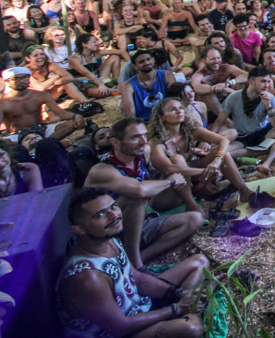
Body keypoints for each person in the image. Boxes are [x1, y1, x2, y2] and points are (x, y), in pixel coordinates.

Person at [57, 187, 206, 338]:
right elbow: (121, 327)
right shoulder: (87, 277)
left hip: (137, 308)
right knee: (191, 329)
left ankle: (189, 308)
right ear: (80, 230)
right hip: (117, 332)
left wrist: (179, 293)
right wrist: (176, 308)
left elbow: (137, 278)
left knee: (199, 263)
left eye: (113, 207)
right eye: (101, 214)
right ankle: (189, 314)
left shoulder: (109, 240)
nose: (113, 215)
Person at [84, 118, 202, 270]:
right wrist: (171, 181)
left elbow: (155, 174)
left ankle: (137, 259)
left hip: (134, 224)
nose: (143, 141)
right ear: (115, 142)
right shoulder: (102, 170)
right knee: (137, 197)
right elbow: (139, 190)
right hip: (106, 234)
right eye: (135, 137)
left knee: (195, 219)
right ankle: (136, 264)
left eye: (144, 135)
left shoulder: (142, 154)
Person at [218, 66, 275, 175]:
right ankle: (256, 151)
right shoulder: (234, 97)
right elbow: (219, 121)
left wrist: (269, 107)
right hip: (242, 136)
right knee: (223, 152)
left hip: (262, 131)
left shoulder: (269, 97)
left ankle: (267, 163)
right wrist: (207, 140)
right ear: (251, 82)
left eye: (268, 81)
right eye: (262, 82)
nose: (266, 85)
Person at [0, 66, 85, 140]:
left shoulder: (40, 95)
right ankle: (45, 143)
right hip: (17, 136)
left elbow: (61, 113)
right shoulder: (1, 104)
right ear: (7, 82)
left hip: (41, 129)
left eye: (25, 77)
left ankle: (43, 143)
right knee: (6, 142)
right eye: (16, 78)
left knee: (73, 123)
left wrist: (76, 116)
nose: (22, 81)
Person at [120, 49, 175, 121]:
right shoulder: (127, 86)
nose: (146, 63)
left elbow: (175, 100)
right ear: (134, 66)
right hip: (144, 122)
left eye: (148, 59)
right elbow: (130, 114)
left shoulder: (167, 75)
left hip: (167, 118)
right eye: (141, 62)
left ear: (153, 60)